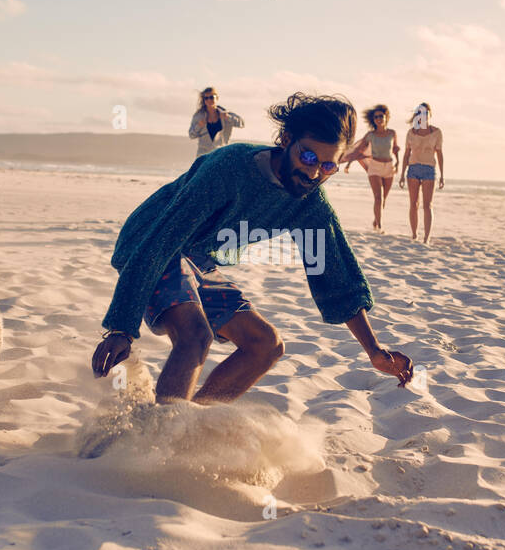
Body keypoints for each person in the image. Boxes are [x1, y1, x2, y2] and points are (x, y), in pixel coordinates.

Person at [92, 92, 414, 403]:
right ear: (286, 140)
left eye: (328, 166)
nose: (315, 173)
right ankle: (157, 439)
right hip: (150, 242)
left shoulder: (309, 204)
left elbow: (335, 277)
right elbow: (162, 239)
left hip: (196, 258)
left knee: (266, 345)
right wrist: (122, 327)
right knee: (195, 336)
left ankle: (183, 427)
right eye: (309, 157)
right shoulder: (228, 168)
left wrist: (373, 350)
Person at [341, 104, 399, 232]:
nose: (378, 119)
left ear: (386, 117)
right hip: (375, 168)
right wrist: (349, 163)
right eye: (376, 117)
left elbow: (395, 149)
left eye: (381, 116)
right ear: (373, 120)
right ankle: (380, 226)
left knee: (383, 199)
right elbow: (358, 150)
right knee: (378, 197)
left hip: (389, 167)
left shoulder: (392, 133)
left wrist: (398, 163)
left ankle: (376, 220)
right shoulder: (370, 135)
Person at [398, 102, 445, 242]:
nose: (422, 116)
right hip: (413, 169)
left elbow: (440, 154)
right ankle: (414, 234)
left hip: (429, 169)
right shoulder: (411, 132)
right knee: (413, 204)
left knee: (427, 205)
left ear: (430, 114)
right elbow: (406, 154)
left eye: (425, 113)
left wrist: (442, 175)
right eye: (419, 113)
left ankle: (426, 237)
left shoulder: (436, 132)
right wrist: (401, 175)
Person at [188, 86, 244, 157]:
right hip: (203, 155)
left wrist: (228, 117)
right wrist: (199, 126)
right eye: (206, 98)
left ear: (217, 98)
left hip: (221, 153)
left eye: (211, 97)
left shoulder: (225, 113)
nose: (209, 100)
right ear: (204, 100)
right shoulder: (199, 116)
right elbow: (191, 135)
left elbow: (242, 123)